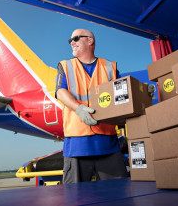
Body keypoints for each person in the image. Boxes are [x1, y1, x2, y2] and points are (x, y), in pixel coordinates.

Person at [55, 29, 128, 183]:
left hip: (108, 145)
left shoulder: (110, 68)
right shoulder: (66, 66)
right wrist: (78, 108)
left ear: (90, 41)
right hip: (77, 147)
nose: (71, 43)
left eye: (75, 38)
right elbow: (60, 92)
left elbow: (122, 95)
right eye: (70, 40)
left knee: (119, 196)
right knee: (76, 198)